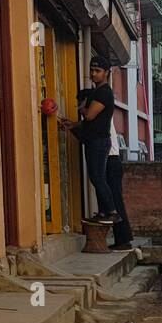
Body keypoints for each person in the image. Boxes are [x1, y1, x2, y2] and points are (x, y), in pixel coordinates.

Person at [61, 57, 118, 225]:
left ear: (106, 73)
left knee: (97, 178)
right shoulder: (96, 91)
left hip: (99, 141)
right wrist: (73, 125)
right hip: (94, 139)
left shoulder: (104, 92)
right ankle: (103, 212)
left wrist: (81, 107)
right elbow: (88, 121)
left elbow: (90, 115)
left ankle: (112, 212)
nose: (93, 74)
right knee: (96, 177)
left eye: (97, 71)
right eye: (92, 70)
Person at [105, 150, 135, 249]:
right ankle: (122, 239)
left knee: (116, 202)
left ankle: (123, 239)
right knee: (116, 202)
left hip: (111, 160)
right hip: (113, 160)